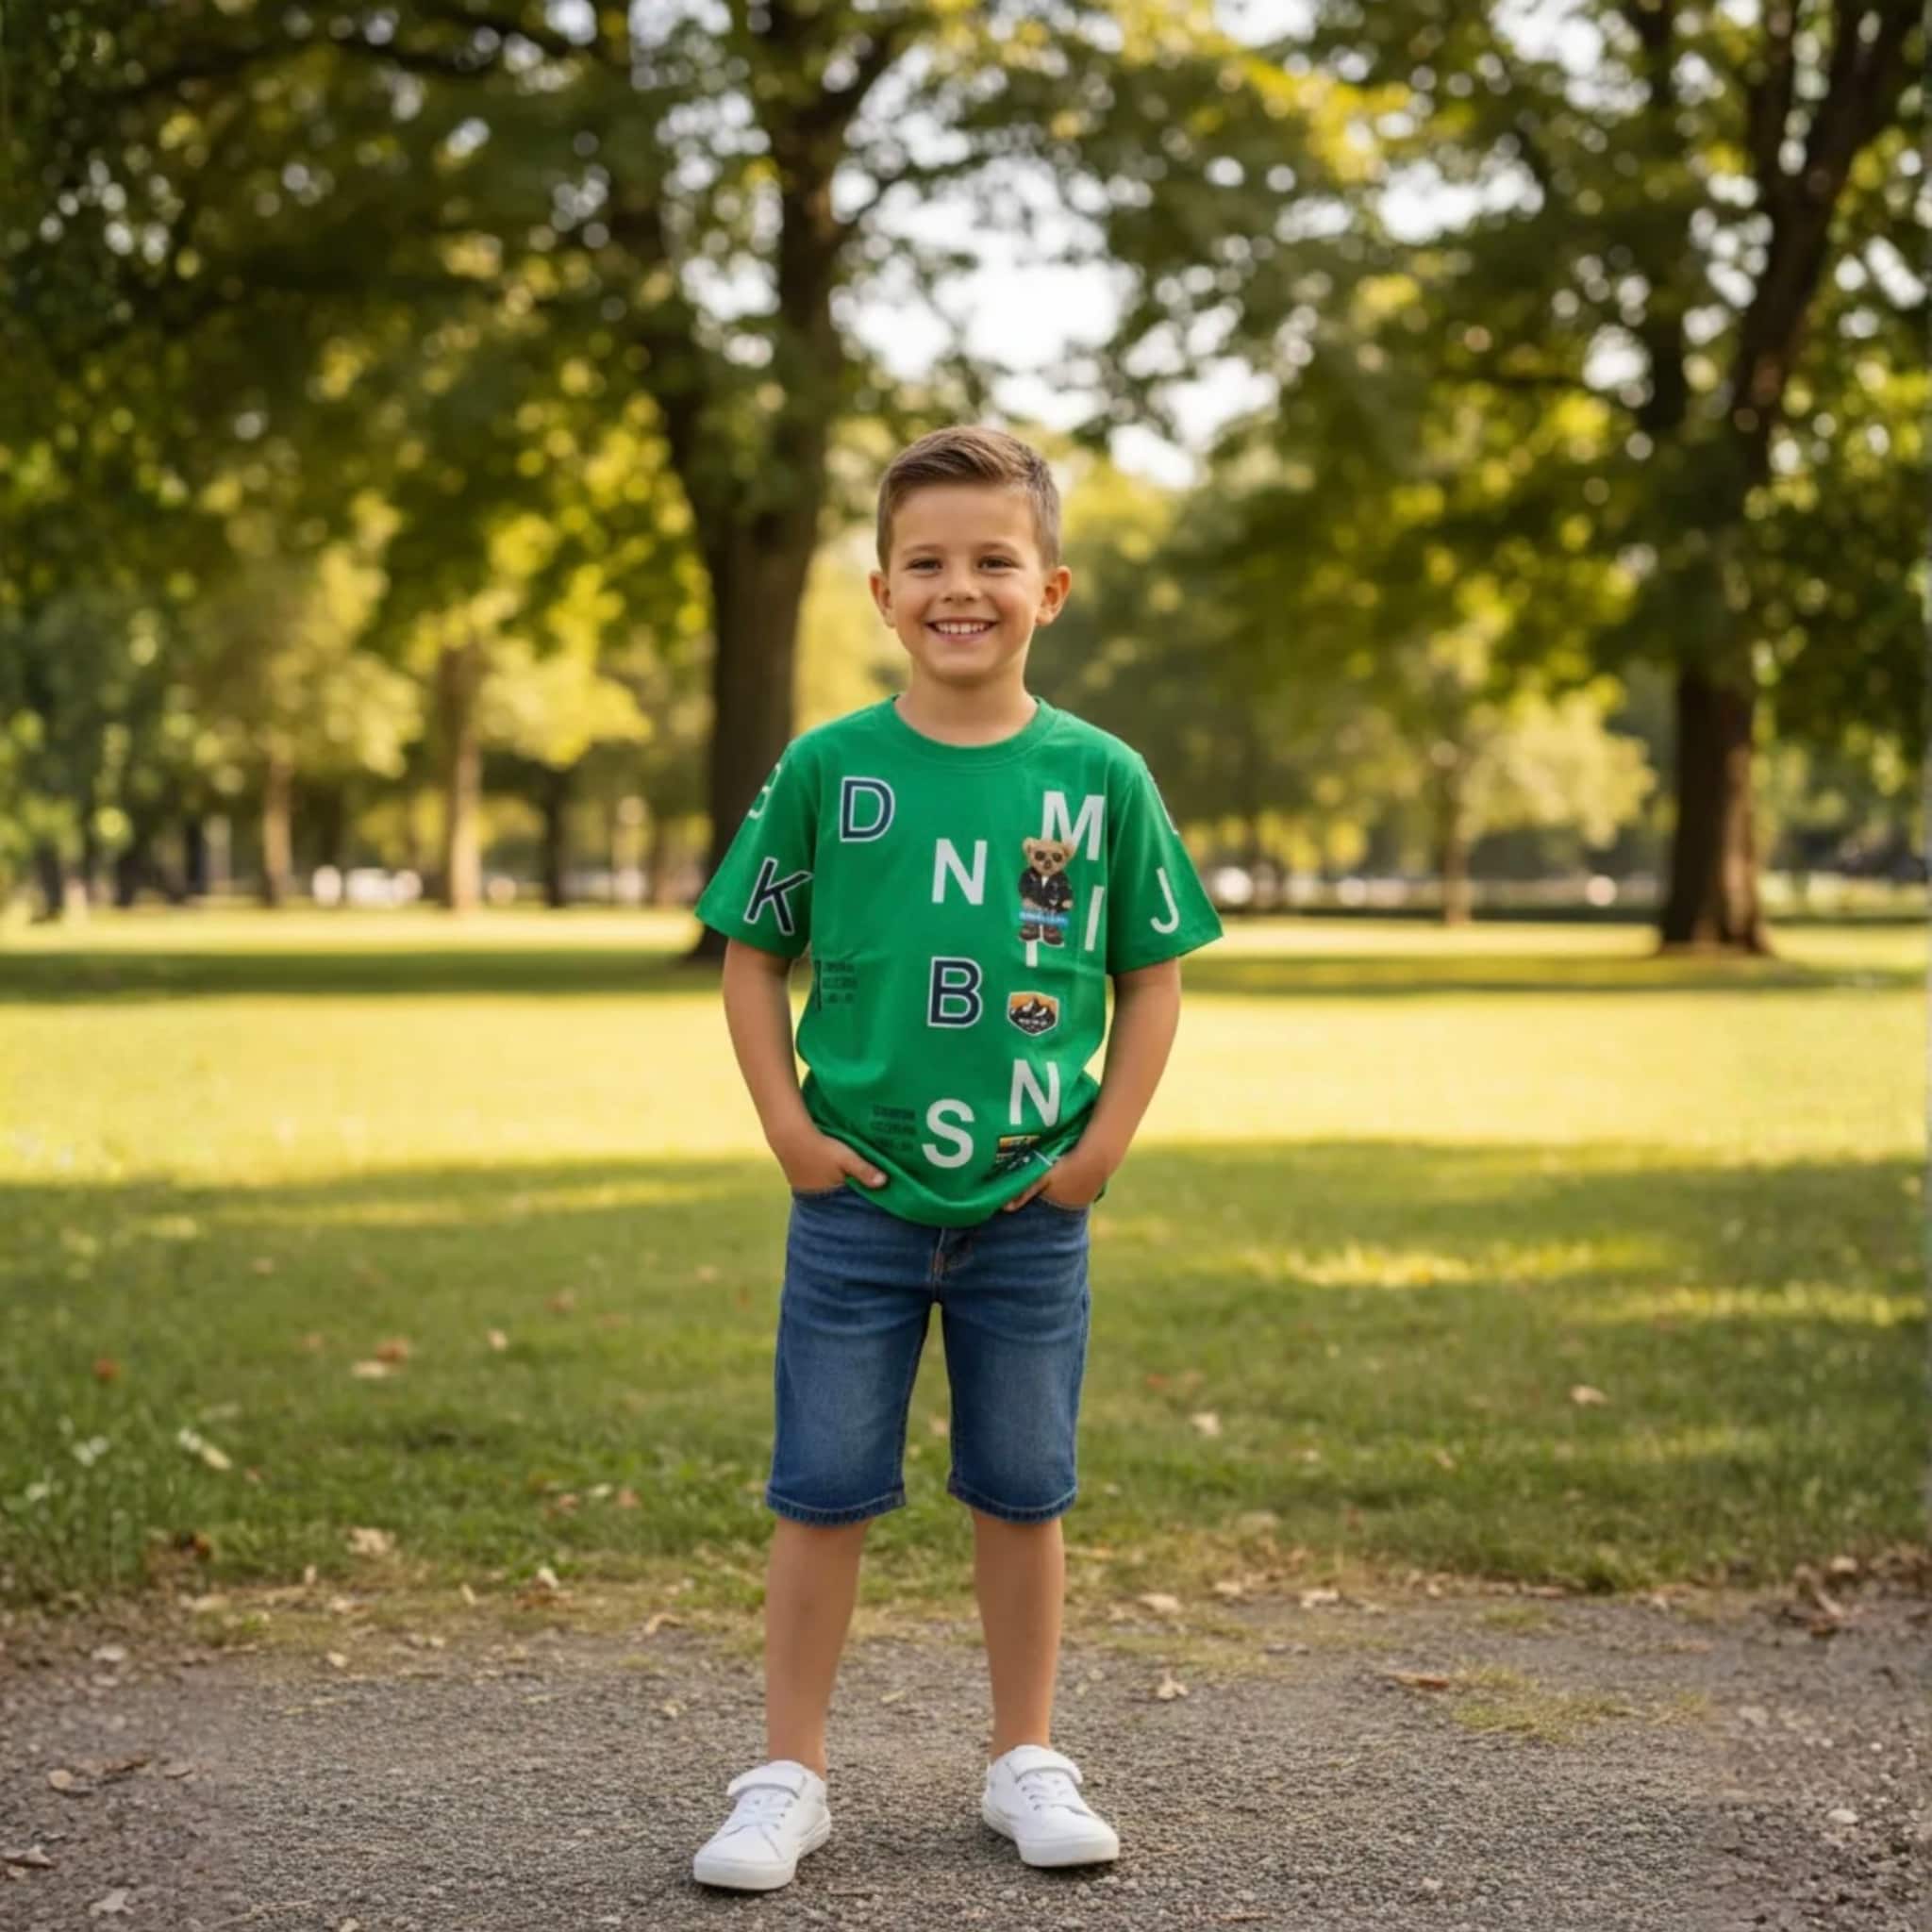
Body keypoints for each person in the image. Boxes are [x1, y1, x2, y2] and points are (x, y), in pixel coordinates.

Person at [689, 425, 1223, 1891]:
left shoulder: (1099, 778)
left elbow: (1155, 971)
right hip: (855, 1203)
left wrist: (1098, 1149)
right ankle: (788, 1773)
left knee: (1023, 1488)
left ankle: (1024, 1757)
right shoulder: (829, 766)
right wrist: (790, 1132)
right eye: (927, 562)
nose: (959, 586)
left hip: (1029, 1208)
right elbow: (748, 957)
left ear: (1050, 588)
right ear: (881, 592)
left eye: (993, 559)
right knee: (823, 1487)